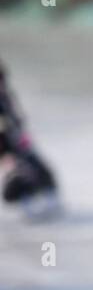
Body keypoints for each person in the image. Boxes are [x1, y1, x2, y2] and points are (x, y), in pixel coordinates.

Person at [0, 61, 59, 220]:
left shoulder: (5, 97)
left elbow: (17, 123)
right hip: (9, 144)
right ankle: (29, 208)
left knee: (42, 174)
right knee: (19, 177)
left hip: (17, 143)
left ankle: (44, 206)